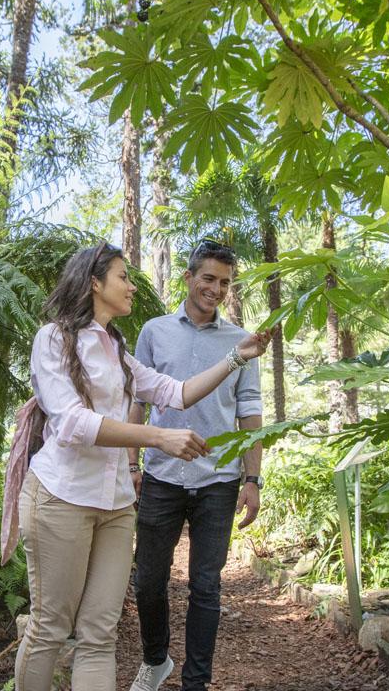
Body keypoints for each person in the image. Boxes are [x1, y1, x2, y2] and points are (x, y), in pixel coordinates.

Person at [13, 241, 269, 691]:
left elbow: (178, 392)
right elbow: (72, 423)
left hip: (114, 506)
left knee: (99, 635)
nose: (132, 286)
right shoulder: (53, 338)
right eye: (123, 277)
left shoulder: (115, 348)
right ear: (95, 283)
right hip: (60, 498)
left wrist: (236, 357)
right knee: (51, 626)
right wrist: (157, 437)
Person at [128, 239, 264, 691]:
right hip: (161, 475)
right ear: (188, 278)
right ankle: (155, 660)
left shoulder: (240, 342)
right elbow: (137, 401)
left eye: (225, 282)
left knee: (206, 586)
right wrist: (132, 464)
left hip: (218, 481)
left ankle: (196, 682)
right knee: (148, 580)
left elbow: (250, 412)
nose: (217, 289)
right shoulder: (154, 332)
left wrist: (253, 478)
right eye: (208, 279)